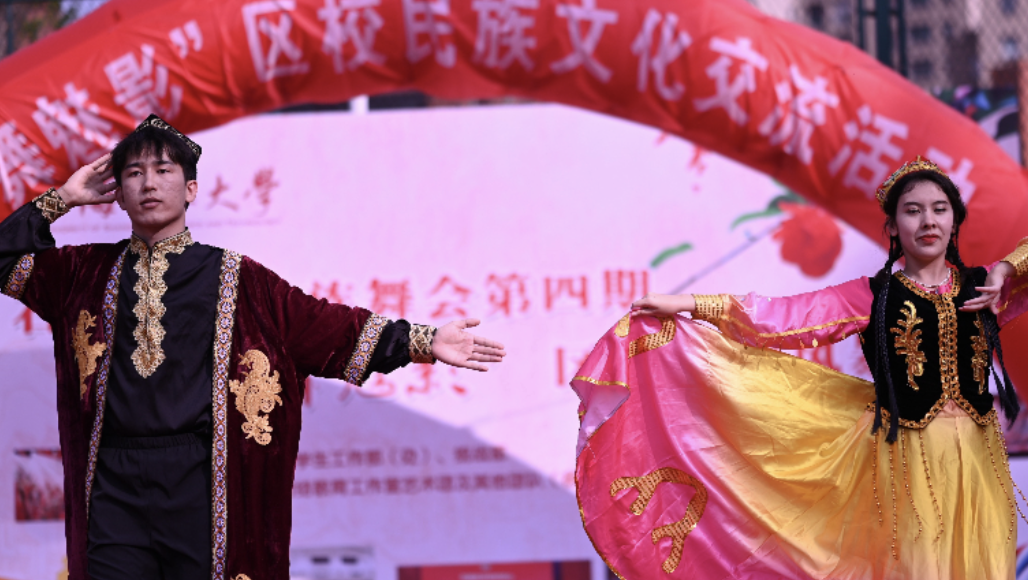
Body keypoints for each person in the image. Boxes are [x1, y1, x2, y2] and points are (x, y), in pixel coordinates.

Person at [0, 115, 506, 580]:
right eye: (133, 173)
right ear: (118, 194)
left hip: (200, 483)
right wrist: (63, 198)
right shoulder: (83, 274)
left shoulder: (238, 279)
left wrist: (423, 340)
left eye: (163, 170)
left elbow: (326, 327)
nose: (148, 183)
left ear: (191, 188)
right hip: (112, 484)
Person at [573, 157, 1028, 579]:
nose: (928, 221)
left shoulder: (984, 287)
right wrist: (690, 303)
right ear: (892, 226)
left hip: (978, 461)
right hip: (906, 464)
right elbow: (779, 319)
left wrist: (1008, 267)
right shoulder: (871, 296)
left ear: (955, 220)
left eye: (939, 210)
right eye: (913, 211)